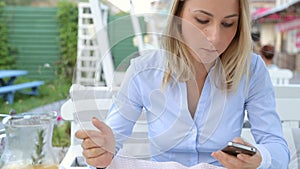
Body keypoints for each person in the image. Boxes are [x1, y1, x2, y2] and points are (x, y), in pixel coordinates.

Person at [75, 0, 290, 168]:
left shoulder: (250, 69)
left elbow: (278, 149)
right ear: (178, 16)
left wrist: (259, 158)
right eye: (202, 20)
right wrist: (102, 152)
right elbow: (109, 141)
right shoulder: (144, 71)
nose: (215, 37)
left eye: (228, 23)